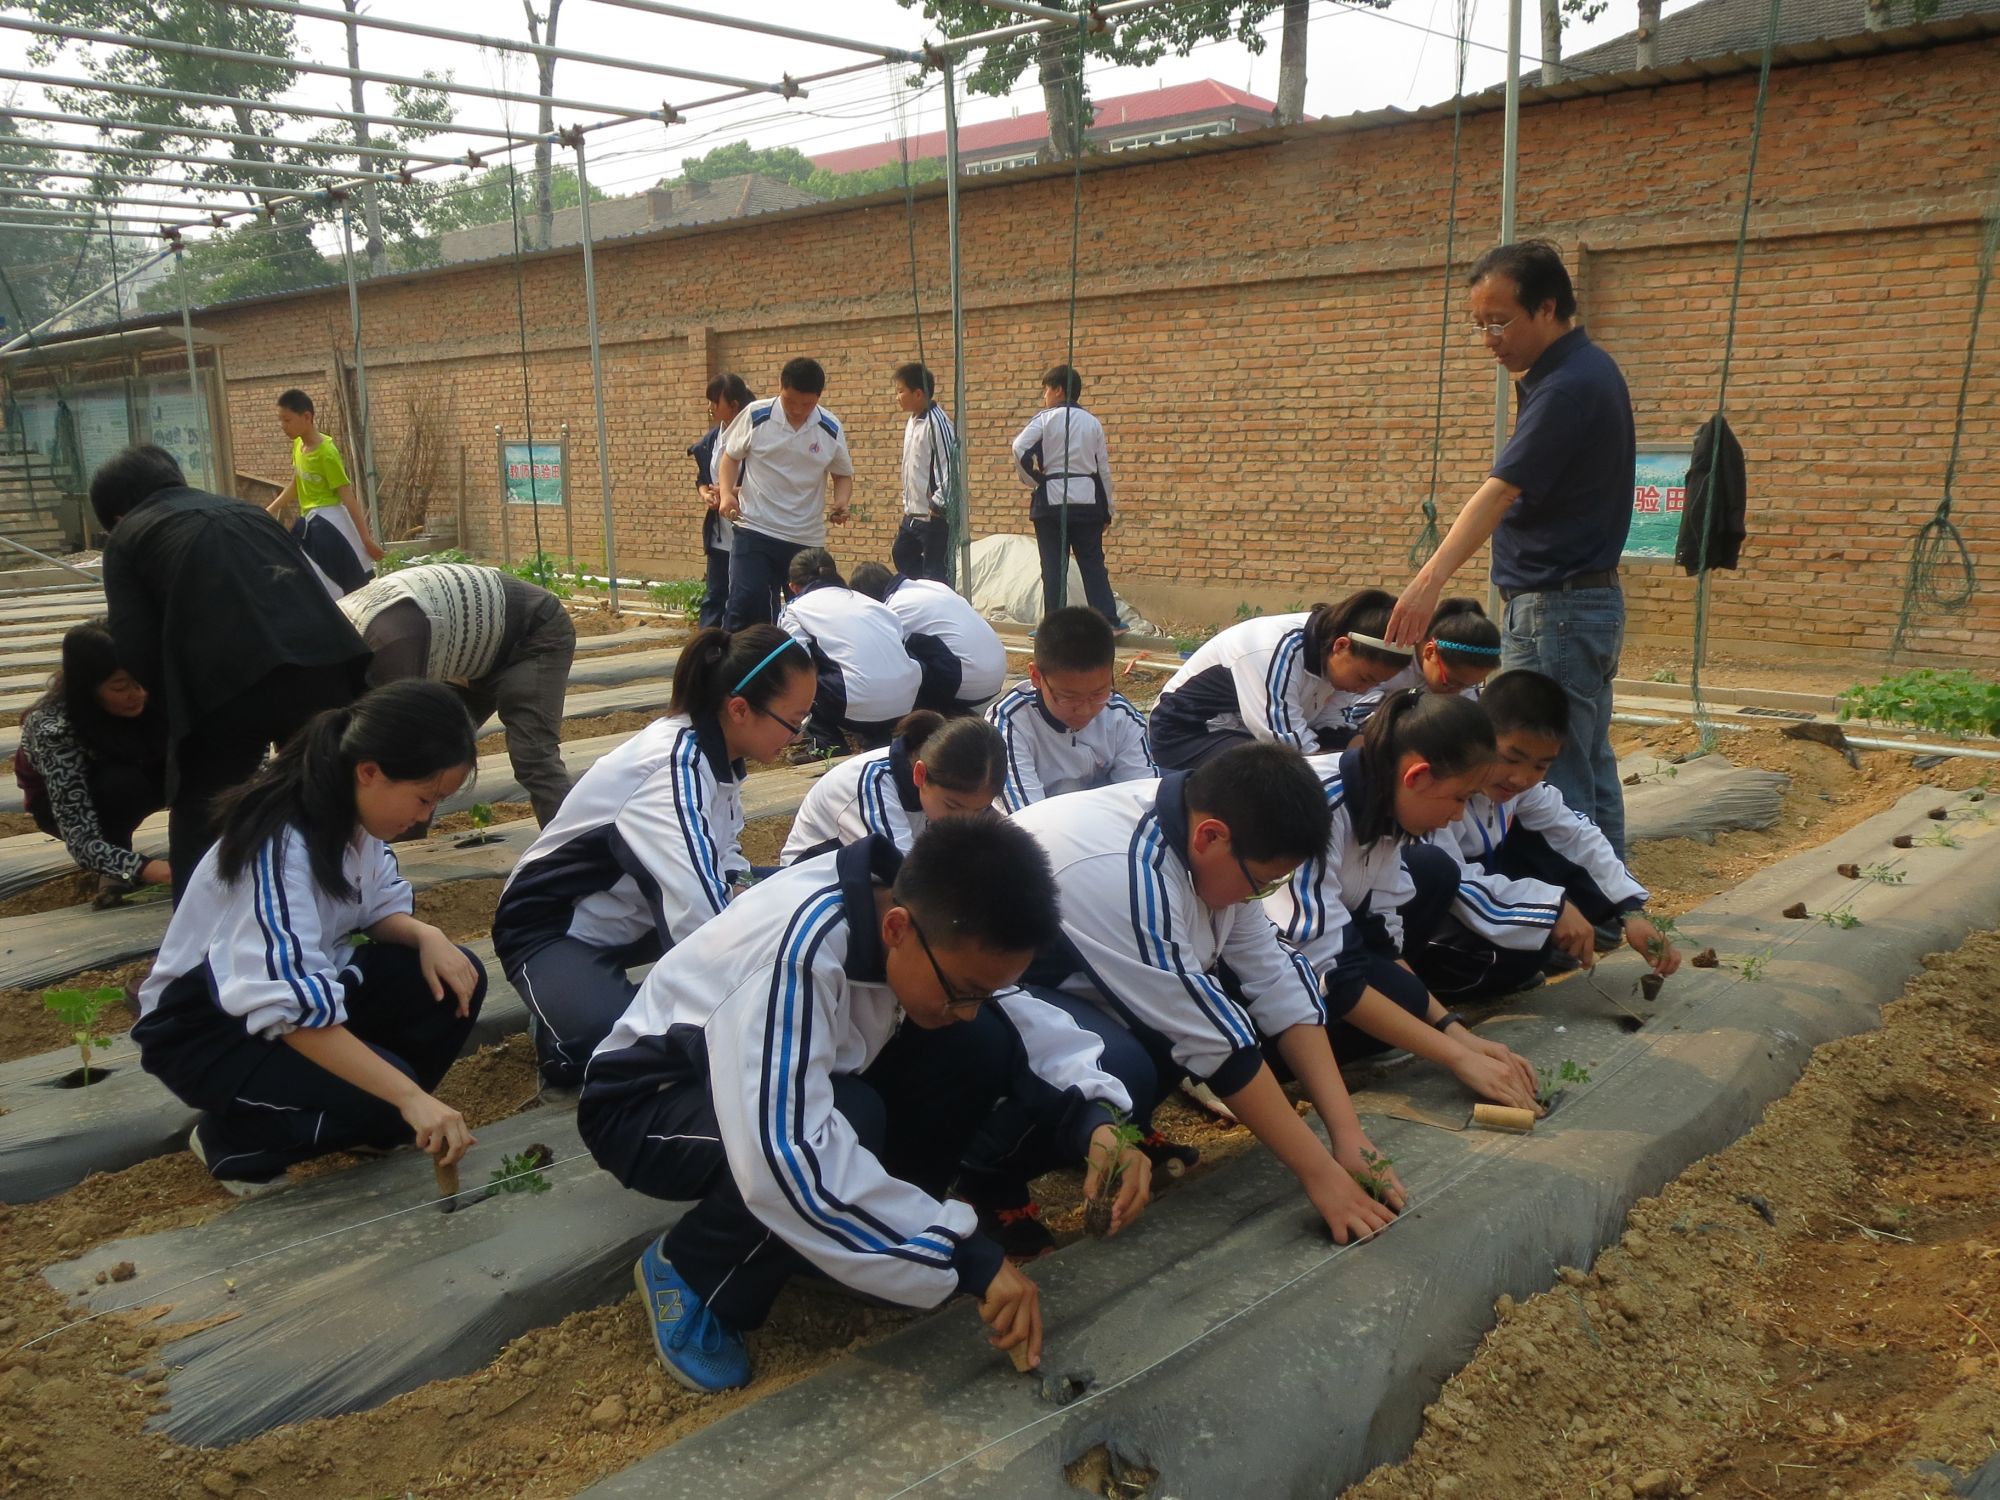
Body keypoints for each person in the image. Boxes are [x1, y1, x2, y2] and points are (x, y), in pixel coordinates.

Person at [578, 820, 1152, 1392]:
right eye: (963, 989)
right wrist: (964, 1256)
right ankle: (695, 1272)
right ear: (897, 928)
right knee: (846, 1120)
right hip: (648, 1106)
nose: (970, 1004)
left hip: (794, 1081)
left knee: (976, 1039)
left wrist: (1097, 1123)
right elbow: (784, 1154)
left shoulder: (923, 913)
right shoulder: (797, 955)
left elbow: (1026, 1023)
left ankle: (850, 1242)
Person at [1007, 742, 1404, 1251]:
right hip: (999, 998)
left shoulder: (1213, 836)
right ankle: (992, 1180)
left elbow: (1277, 980)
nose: (1258, 896)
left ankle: (1130, 1126)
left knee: (1210, 995)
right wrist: (1321, 1175)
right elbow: (1215, 1043)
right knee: (1126, 1061)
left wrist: (1349, 1136)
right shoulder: (1128, 870)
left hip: (1091, 974)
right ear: (1211, 836)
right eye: (1261, 884)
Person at [130, 682, 487, 1196]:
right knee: (387, 1095)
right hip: (205, 1030)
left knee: (453, 978)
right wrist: (409, 1096)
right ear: (370, 772)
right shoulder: (277, 850)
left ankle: (367, 1123)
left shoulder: (350, 819)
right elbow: (288, 1009)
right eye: (424, 798)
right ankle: (232, 1141)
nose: (425, 817)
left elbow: (377, 905)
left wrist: (427, 934)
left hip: (285, 1002)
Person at [1388, 239, 1636, 859]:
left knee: (1548, 771)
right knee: (1584, 754)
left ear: (1547, 308)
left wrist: (1428, 581)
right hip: (1578, 603)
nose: (1489, 339)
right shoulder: (1581, 371)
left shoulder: (1567, 388)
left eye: (1498, 322)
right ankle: (1612, 903)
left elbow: (1498, 494)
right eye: (1479, 326)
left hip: (1557, 608)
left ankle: (1566, 913)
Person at [492, 626, 818, 1089]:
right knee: (625, 1055)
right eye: (794, 720)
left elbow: (722, 855)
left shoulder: (717, 754)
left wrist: (751, 895)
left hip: (637, 913)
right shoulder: (670, 772)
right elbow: (700, 915)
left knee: (789, 892)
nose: (798, 735)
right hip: (556, 929)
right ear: (740, 709)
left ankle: (594, 997)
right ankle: (559, 1026)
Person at [92, 445, 371, 901]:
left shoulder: (129, 538)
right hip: (322, 662)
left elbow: (134, 644)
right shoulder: (249, 513)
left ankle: (198, 947)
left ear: (118, 516)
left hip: (225, 682)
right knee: (323, 791)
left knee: (203, 805)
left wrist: (173, 713)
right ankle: (341, 906)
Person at [1262, 690, 1541, 1113]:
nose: (1457, 816)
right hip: (1227, 957)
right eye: (1460, 798)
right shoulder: (1312, 813)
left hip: (1308, 947)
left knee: (1430, 873)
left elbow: (1381, 942)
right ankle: (1256, 1060)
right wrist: (1456, 1057)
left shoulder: (1383, 805)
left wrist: (1456, 1031)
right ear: (1417, 776)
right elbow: (1329, 974)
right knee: (1365, 1006)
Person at [1413, 670, 1682, 1001]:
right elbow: (1451, 879)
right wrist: (1550, 908)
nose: (1521, 778)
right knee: (1518, 949)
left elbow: (1578, 834)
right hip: (1420, 909)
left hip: (1478, 888)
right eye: (1511, 758)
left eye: (1541, 766)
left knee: (1569, 868)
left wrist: (1631, 912)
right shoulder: (1435, 786)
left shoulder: (1517, 789)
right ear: (1478, 735)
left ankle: (1528, 951)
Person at [337, 561, 578, 826]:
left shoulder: (391, 647)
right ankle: (407, 843)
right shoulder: (338, 632)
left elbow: (398, 744)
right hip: (470, 642)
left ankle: (574, 848)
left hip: (532, 631)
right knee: (434, 748)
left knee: (532, 755)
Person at [1147, 589, 1412, 771]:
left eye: (1375, 684)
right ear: (1341, 646)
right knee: (1276, 771)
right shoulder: (1273, 649)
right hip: (1186, 733)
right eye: (1365, 678)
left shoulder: (1335, 661)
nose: (1363, 690)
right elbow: (1289, 746)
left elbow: (1332, 727)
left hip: (1249, 734)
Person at [16, 620, 170, 904]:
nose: (137, 694)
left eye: (141, 682)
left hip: (142, 768)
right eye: (120, 687)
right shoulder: (55, 728)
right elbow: (80, 836)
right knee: (121, 785)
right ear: (88, 688)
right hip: (76, 801)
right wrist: (148, 868)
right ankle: (115, 863)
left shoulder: (156, 696)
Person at [716, 357, 853, 629]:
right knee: (747, 604)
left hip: (804, 537)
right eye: (791, 401)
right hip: (755, 529)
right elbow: (730, 458)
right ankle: (740, 667)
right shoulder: (757, 415)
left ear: (819, 397)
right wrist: (726, 494)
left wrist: (841, 501)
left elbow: (842, 474)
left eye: (807, 404)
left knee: (811, 615)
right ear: (780, 387)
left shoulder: (829, 427)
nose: (799, 410)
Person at [987, 606, 1156, 811]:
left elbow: (1143, 802)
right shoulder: (1011, 723)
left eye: (1098, 694)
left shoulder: (1121, 716)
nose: (1085, 711)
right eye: (1068, 698)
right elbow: (1026, 820)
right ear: (1036, 677)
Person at [780, 711, 1004, 863]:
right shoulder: (871, 784)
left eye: (978, 810)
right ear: (920, 775)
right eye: (953, 806)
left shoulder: (951, 788)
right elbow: (903, 877)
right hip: (812, 890)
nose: (964, 820)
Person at [778, 548, 921, 757]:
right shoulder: (871, 603)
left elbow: (796, 663)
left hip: (856, 704)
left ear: (793, 587)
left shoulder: (794, 609)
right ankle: (877, 740)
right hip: (905, 702)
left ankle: (827, 746)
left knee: (800, 677)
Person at [1011, 365, 1119, 626]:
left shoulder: (1045, 419)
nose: (1045, 396)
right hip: (1087, 502)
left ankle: (1055, 623)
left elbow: (1019, 447)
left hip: (1051, 503)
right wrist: (1108, 510)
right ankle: (1107, 619)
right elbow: (1102, 470)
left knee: (1053, 567)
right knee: (1092, 562)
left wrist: (1034, 480)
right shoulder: (1093, 422)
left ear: (1058, 390)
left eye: (1046, 390)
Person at [266, 388, 383, 596]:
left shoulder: (327, 454)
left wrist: (365, 540)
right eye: (280, 420)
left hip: (331, 525)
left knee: (344, 587)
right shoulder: (298, 446)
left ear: (307, 416)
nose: (283, 426)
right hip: (311, 526)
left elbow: (348, 497)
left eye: (287, 420)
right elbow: (297, 483)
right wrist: (271, 508)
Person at [850, 561, 1008, 716]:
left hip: (969, 685)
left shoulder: (892, 609)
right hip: (997, 673)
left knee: (890, 655)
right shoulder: (929, 585)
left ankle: (930, 708)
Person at [1344, 597, 1503, 729]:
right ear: (1430, 652)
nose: (1457, 692)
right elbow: (1356, 714)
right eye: (1450, 683)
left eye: (1468, 685)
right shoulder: (1390, 660)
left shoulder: (1461, 679)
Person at [688, 373, 753, 630]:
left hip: (748, 529)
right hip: (720, 533)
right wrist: (706, 493)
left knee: (743, 598)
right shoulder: (712, 440)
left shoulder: (753, 436)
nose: (710, 407)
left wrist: (731, 492)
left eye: (716, 402)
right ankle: (708, 649)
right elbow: (702, 478)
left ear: (734, 405)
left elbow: (764, 484)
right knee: (715, 596)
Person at [891, 361, 958, 585]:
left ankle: (939, 604)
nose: (897, 397)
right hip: (913, 513)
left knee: (935, 574)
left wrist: (939, 503)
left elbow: (950, 467)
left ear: (918, 393)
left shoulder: (938, 424)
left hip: (933, 515)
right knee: (901, 554)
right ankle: (925, 592)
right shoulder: (913, 421)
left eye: (901, 391)